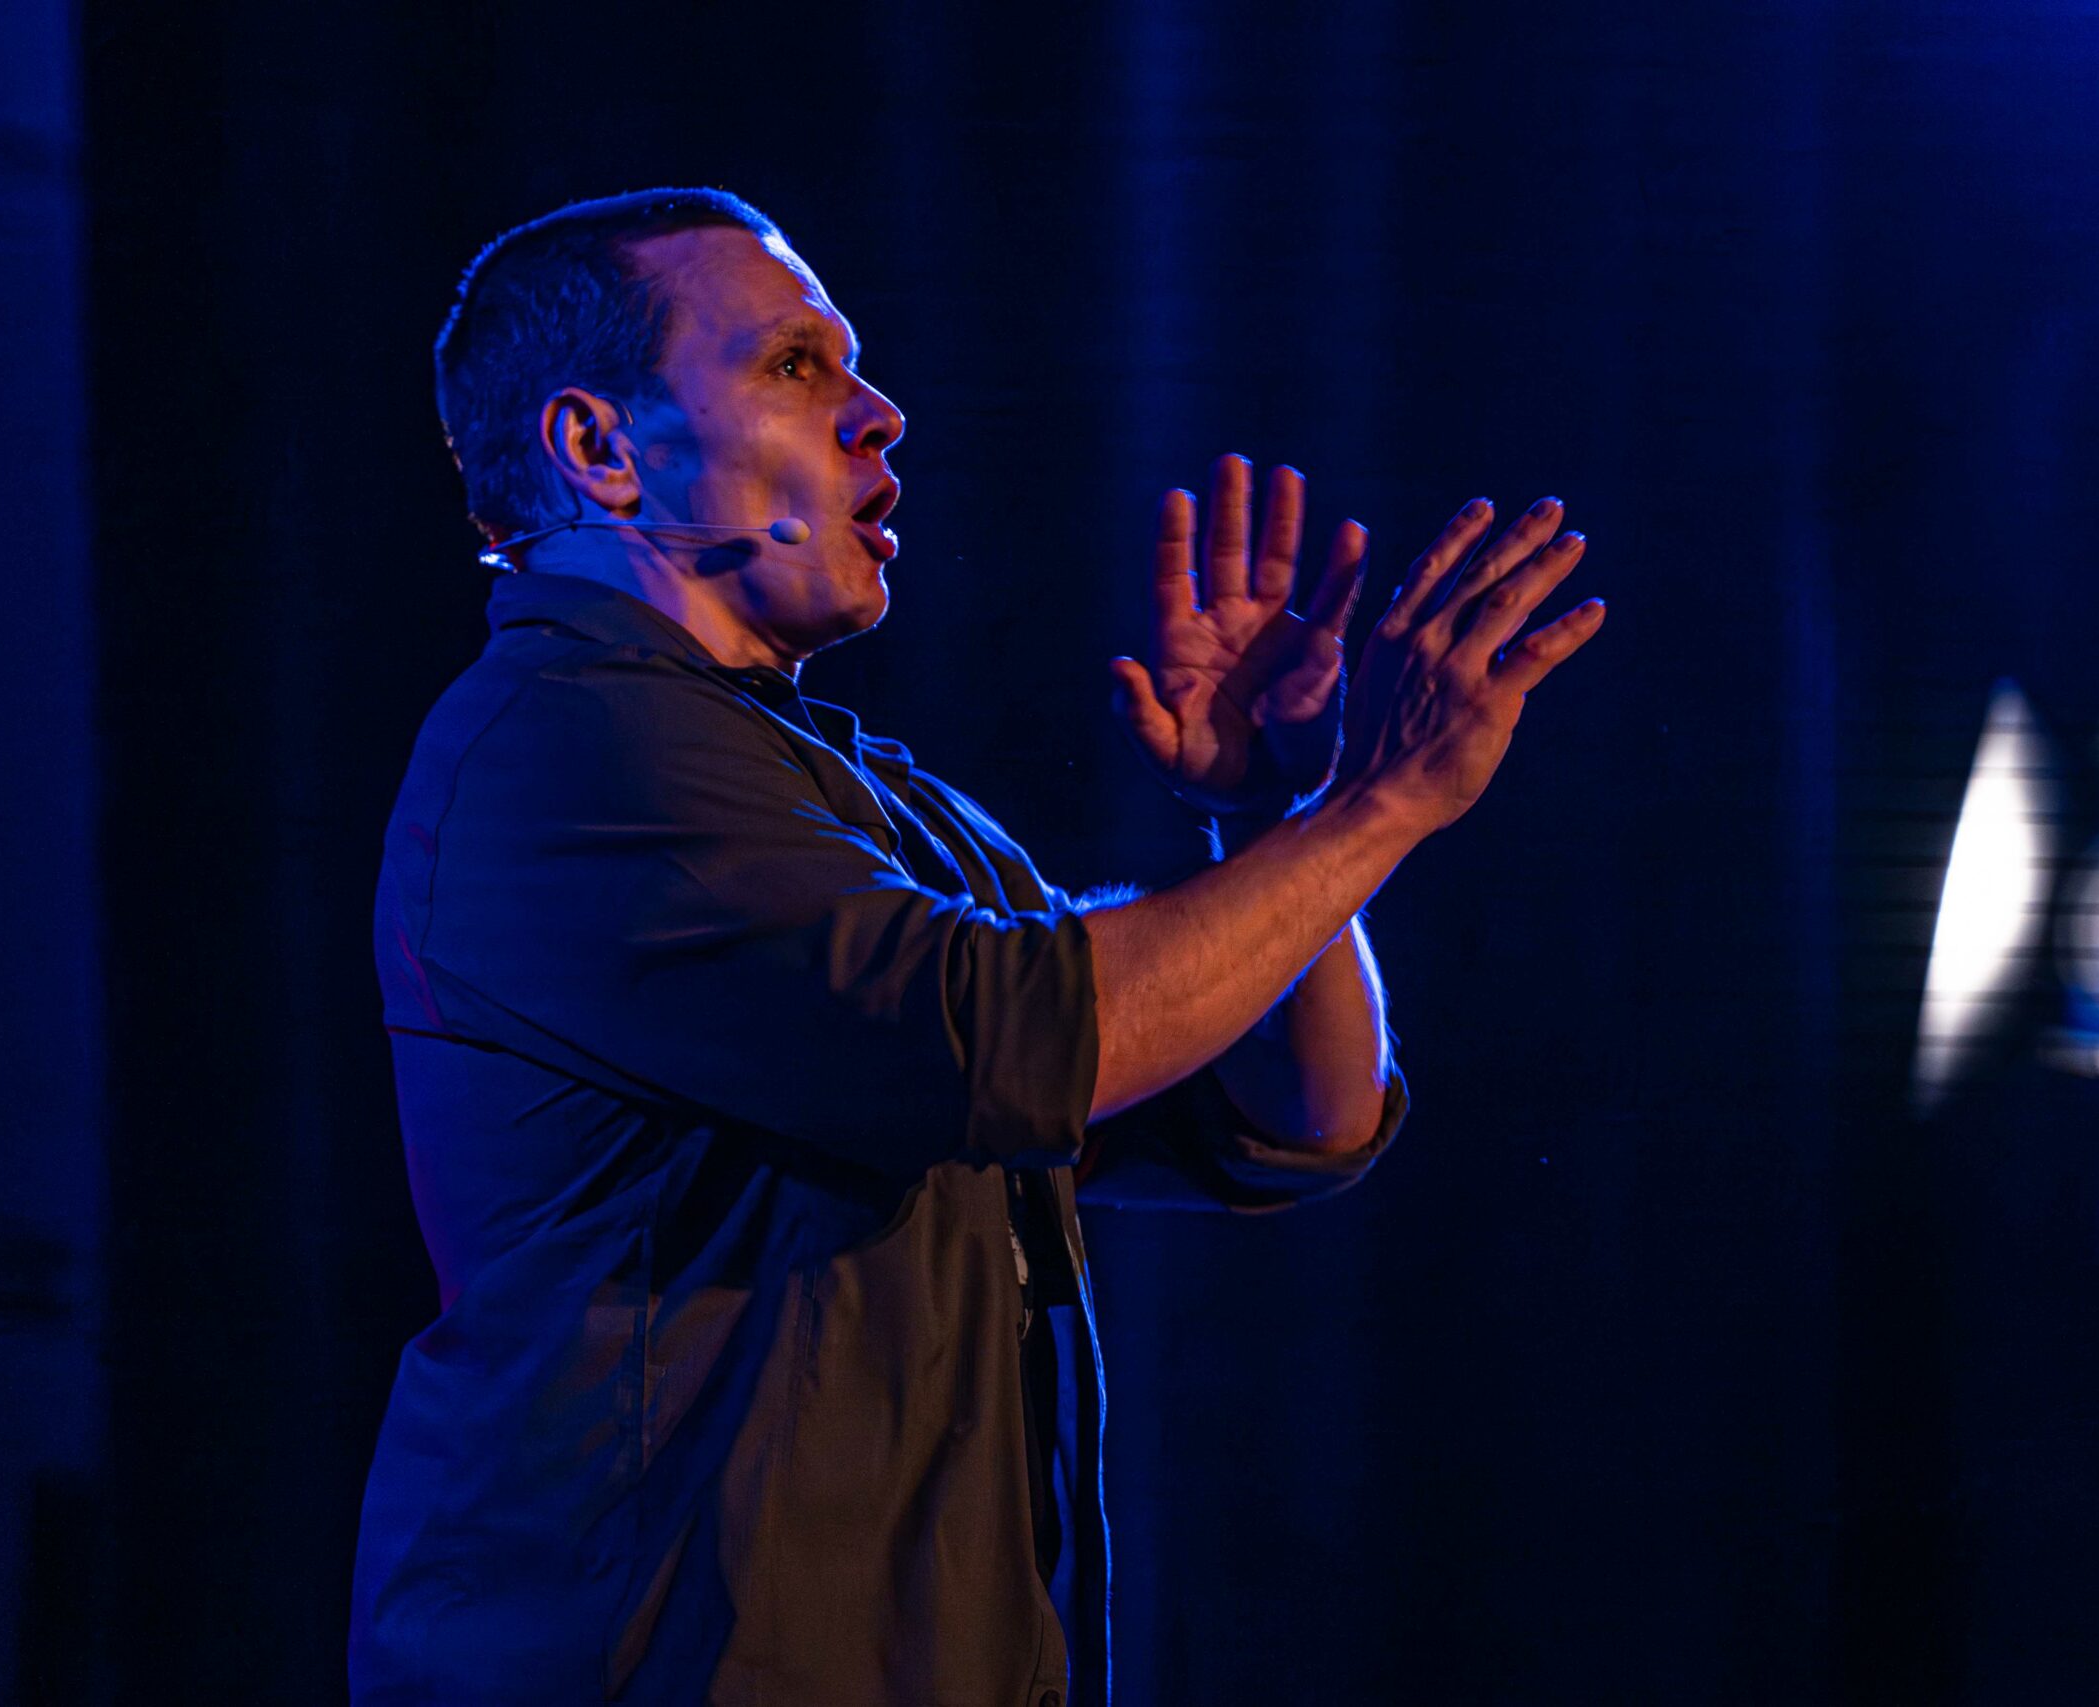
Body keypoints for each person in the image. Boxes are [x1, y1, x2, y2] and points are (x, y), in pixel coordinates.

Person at [350, 186, 1603, 1706]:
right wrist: (1378, 803)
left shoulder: (865, 801)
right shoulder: (568, 744)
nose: (879, 413)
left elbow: (1298, 1116)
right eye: (794, 366)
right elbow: (1010, 1038)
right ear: (601, 449)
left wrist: (1275, 812)